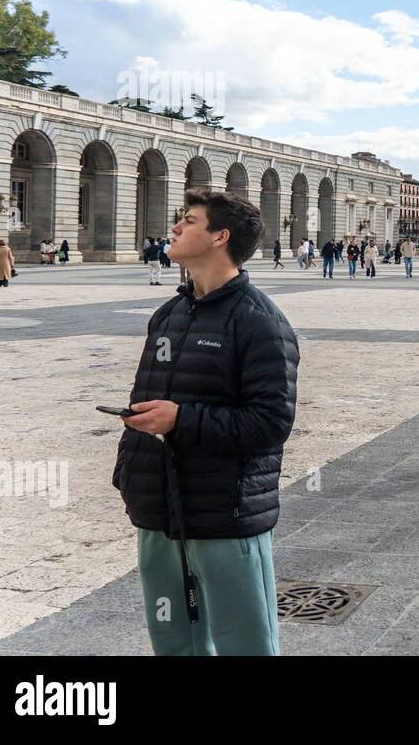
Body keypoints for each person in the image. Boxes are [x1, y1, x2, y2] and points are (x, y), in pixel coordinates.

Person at [114, 188, 299, 655]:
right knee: (174, 639)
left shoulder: (260, 322)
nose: (175, 227)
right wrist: (129, 475)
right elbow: (146, 398)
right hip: (159, 509)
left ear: (221, 236)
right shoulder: (169, 314)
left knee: (245, 642)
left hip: (224, 513)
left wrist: (181, 419)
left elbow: (269, 423)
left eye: (189, 220)